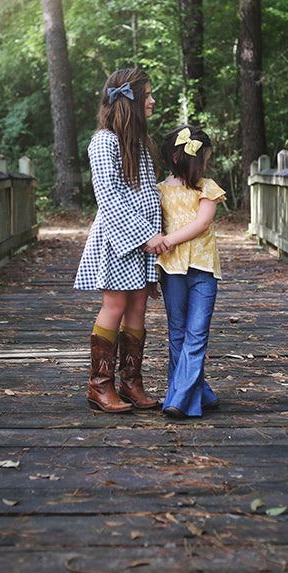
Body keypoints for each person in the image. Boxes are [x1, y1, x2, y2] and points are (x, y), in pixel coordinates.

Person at [74, 67, 168, 413]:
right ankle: (99, 385)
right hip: (119, 240)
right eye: (146, 95)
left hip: (144, 243)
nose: (152, 100)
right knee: (115, 306)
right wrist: (146, 235)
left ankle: (132, 382)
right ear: (127, 101)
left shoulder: (140, 145)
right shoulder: (103, 142)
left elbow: (146, 196)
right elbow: (109, 198)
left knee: (139, 308)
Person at [152, 125, 226, 420]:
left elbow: (201, 223)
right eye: (202, 161)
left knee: (196, 334)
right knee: (177, 334)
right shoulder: (159, 191)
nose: (204, 167)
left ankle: (179, 398)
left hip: (203, 270)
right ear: (177, 159)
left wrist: (167, 241)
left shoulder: (207, 188)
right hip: (172, 271)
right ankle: (199, 393)